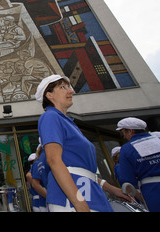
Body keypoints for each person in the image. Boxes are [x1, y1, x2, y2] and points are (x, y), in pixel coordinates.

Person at [35, 74, 130, 212]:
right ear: (49, 95)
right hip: (73, 198)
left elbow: (82, 170)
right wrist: (80, 203)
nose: (71, 91)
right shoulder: (50, 116)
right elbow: (54, 161)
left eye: (69, 87)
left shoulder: (68, 122)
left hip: (89, 192)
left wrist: (113, 190)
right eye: (63, 87)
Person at [116, 117, 160, 211]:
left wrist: (142, 201)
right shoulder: (159, 139)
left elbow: (128, 181)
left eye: (123, 132)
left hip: (152, 191)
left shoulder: (126, 149)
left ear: (131, 131)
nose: (123, 136)